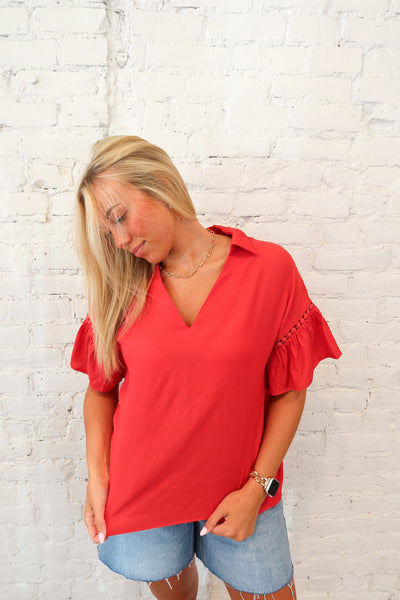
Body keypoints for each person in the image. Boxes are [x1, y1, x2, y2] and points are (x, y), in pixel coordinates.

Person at [71, 135, 341, 600]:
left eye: (119, 217)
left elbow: (290, 391)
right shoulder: (122, 288)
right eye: (108, 232)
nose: (120, 241)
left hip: (240, 490)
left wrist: (256, 490)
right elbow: (101, 389)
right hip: (144, 493)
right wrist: (98, 478)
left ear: (160, 184)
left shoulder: (268, 269)